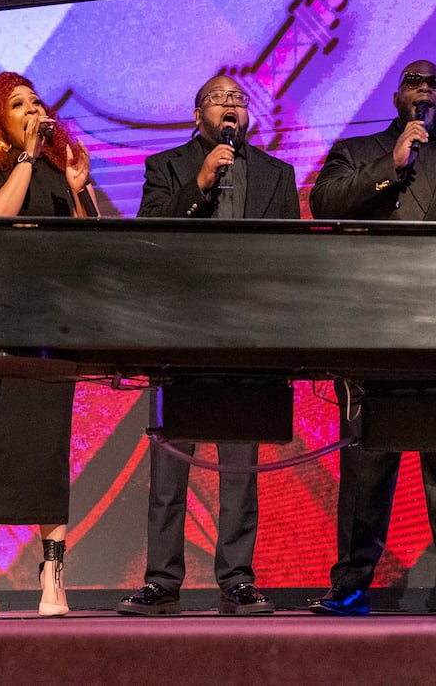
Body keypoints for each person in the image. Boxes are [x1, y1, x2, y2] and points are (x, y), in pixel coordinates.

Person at [306, 60, 436, 615]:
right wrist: (391, 164)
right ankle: (350, 584)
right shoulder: (360, 152)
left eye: (435, 83)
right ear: (397, 93)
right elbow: (322, 204)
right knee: (367, 468)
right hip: (376, 330)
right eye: (414, 82)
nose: (425, 90)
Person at [118, 74, 299, 617]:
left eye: (239, 101)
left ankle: (238, 580)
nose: (231, 106)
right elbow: (148, 235)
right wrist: (198, 184)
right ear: (197, 114)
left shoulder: (277, 174)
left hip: (248, 333)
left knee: (240, 466)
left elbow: (290, 256)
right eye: (220, 99)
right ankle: (162, 582)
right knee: (171, 463)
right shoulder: (167, 167)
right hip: (181, 329)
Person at [0, 71, 96, 618]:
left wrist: (78, 190)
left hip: (51, 326)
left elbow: (86, 247)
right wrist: (27, 161)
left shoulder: (54, 172)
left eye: (36, 100)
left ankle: (53, 573)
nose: (33, 109)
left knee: (50, 449)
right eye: (18, 103)